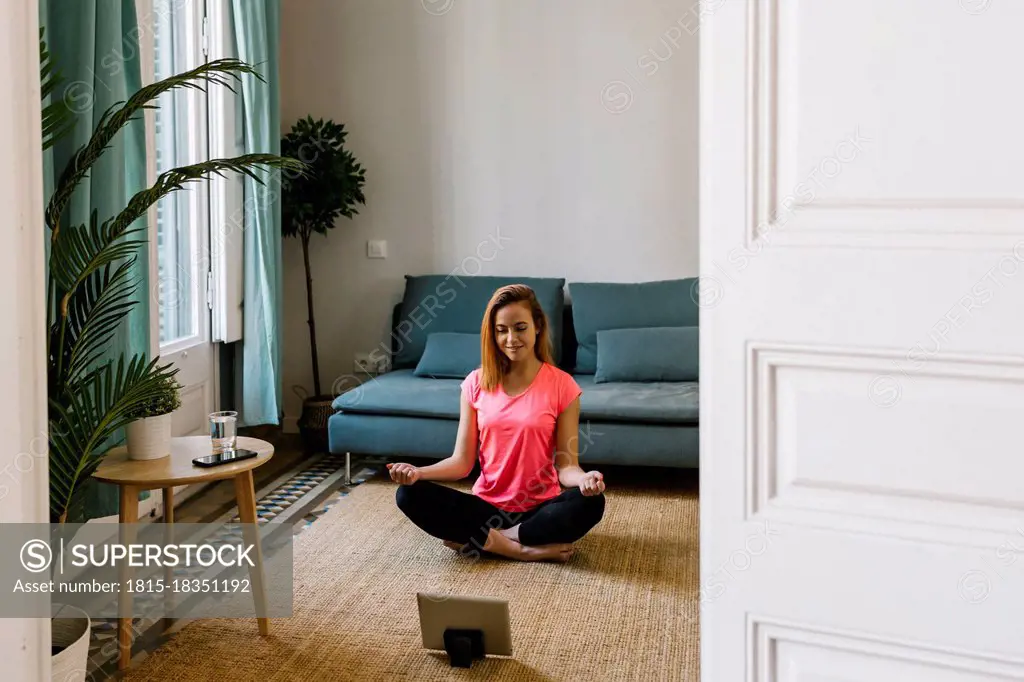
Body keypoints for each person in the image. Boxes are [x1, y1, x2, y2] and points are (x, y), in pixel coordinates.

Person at [390, 283, 606, 562]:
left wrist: (585, 479)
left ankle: (491, 539)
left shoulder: (562, 385)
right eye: (501, 330)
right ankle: (519, 548)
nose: (511, 338)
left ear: (537, 326)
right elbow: (461, 462)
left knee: (590, 503)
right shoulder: (475, 383)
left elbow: (566, 467)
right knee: (408, 495)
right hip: (485, 508)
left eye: (520, 327)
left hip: (539, 509)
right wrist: (417, 473)